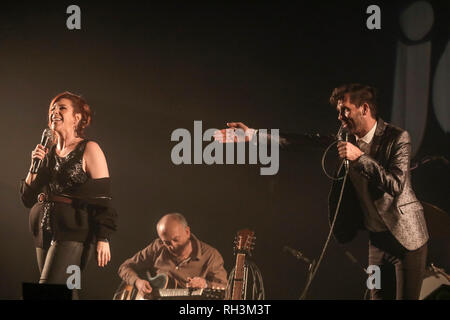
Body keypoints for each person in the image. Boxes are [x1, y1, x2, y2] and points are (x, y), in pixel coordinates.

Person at [214, 83, 429, 300]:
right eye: (338, 112)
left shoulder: (397, 137)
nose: (340, 117)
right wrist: (253, 135)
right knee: (377, 297)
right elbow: (304, 142)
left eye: (345, 110)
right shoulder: (344, 135)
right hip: (377, 242)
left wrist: (361, 158)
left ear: (364, 109)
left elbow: (396, 185)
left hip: (406, 240)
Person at [20, 91, 118, 292]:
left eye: (61, 108)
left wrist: (103, 237)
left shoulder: (89, 148)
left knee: (48, 291)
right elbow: (27, 198)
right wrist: (33, 166)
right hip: (43, 230)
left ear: (77, 117)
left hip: (73, 231)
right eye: (52, 110)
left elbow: (103, 197)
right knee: (64, 292)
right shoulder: (48, 153)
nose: (54, 112)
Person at [118, 213, 227, 297]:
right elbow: (125, 267)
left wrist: (206, 285)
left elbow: (225, 290)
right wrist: (137, 282)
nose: (172, 246)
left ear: (187, 232)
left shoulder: (211, 256)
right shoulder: (158, 247)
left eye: (176, 239)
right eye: (167, 242)